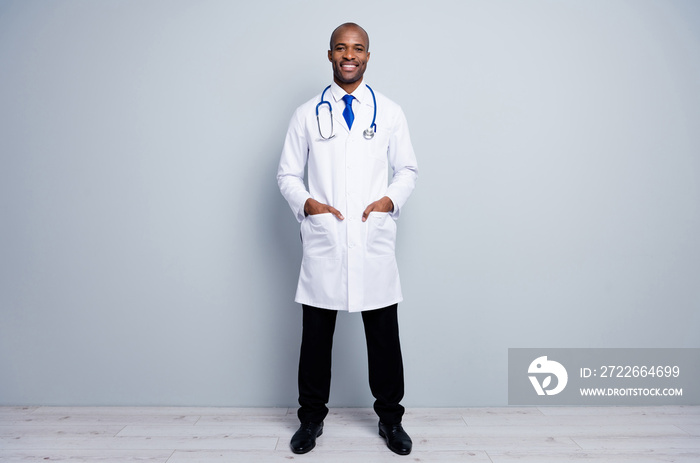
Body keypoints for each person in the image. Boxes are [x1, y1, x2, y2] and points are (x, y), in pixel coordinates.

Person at [277, 22, 418, 456]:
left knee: (383, 337)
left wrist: (387, 203)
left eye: (357, 48)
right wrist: (309, 206)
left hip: (371, 240)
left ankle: (391, 421)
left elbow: (408, 171)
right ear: (330, 54)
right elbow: (286, 175)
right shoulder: (306, 114)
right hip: (327, 242)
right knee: (316, 338)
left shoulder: (390, 112)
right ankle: (310, 421)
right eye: (341, 48)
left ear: (368, 56)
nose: (349, 55)